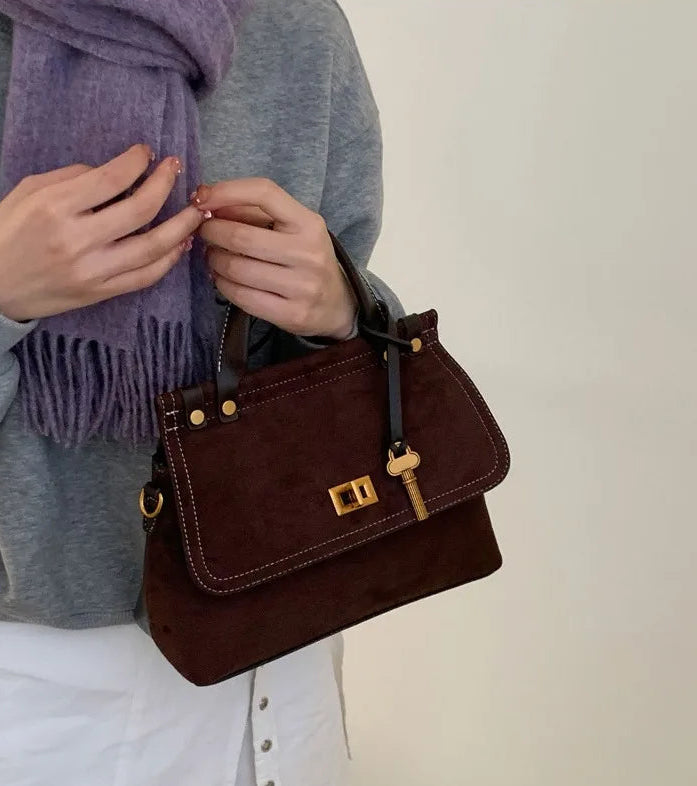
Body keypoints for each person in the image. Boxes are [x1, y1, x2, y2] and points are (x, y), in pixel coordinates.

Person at [0, 1, 405, 784]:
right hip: (42, 686)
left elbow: (368, 329)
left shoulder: (299, 26)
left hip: (279, 659)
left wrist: (338, 306)